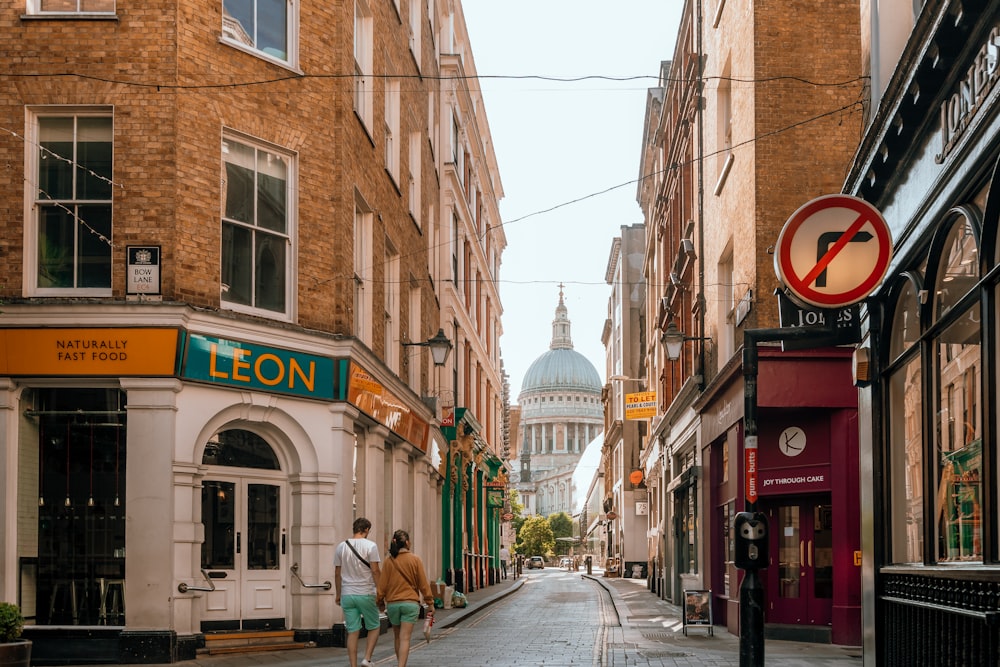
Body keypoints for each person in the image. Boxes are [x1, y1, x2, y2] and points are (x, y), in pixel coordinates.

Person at [376, 529, 435, 667]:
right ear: (407, 542)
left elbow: (382, 585)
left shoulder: (388, 562)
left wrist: (379, 602)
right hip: (410, 604)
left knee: (397, 636)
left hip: (393, 605)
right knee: (405, 638)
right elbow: (423, 584)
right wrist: (430, 602)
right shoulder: (415, 560)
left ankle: (400, 663)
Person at [334, 518, 381, 667]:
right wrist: (380, 591)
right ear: (366, 529)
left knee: (353, 631)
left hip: (347, 594)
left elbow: (337, 573)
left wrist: (338, 594)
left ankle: (353, 665)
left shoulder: (341, 546)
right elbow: (375, 570)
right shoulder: (371, 546)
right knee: (374, 626)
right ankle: (367, 659)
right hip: (366, 592)